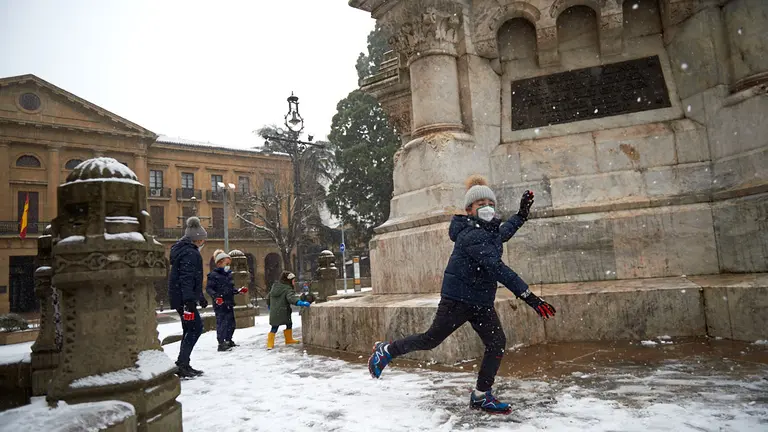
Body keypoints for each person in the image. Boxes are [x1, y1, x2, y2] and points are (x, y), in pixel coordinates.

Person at [367, 175, 557, 414]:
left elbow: (503, 232)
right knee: (431, 340)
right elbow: (498, 268)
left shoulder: (488, 230)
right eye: (481, 204)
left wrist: (521, 215)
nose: (487, 207)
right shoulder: (470, 234)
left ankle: (481, 395)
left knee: (496, 343)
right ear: (469, 210)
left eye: (490, 203)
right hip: (457, 300)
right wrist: (530, 297)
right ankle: (388, 350)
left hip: (480, 302)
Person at [168, 216, 209, 378]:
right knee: (195, 328)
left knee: (189, 328)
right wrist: (189, 301)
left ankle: (183, 363)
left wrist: (200, 296)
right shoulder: (190, 253)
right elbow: (187, 278)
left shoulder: (183, 251)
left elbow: (193, 278)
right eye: (202, 240)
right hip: (183, 298)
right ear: (197, 239)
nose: (203, 243)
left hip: (181, 297)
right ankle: (182, 364)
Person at [206, 249, 248, 352]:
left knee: (231, 323)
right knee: (222, 323)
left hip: (229, 302)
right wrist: (216, 297)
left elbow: (230, 289)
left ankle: (229, 340)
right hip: (220, 304)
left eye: (229, 263)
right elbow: (209, 289)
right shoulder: (213, 275)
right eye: (227, 263)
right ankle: (221, 343)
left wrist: (238, 291)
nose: (228, 265)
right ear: (219, 263)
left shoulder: (228, 275)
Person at [266, 271, 311, 350]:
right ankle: (288, 339)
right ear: (289, 280)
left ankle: (270, 344)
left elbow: (268, 297)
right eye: (293, 280)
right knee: (289, 323)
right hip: (284, 311)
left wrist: (269, 305)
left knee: (274, 327)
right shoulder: (287, 289)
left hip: (274, 311)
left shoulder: (274, 287)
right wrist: (299, 302)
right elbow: (291, 298)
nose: (294, 282)